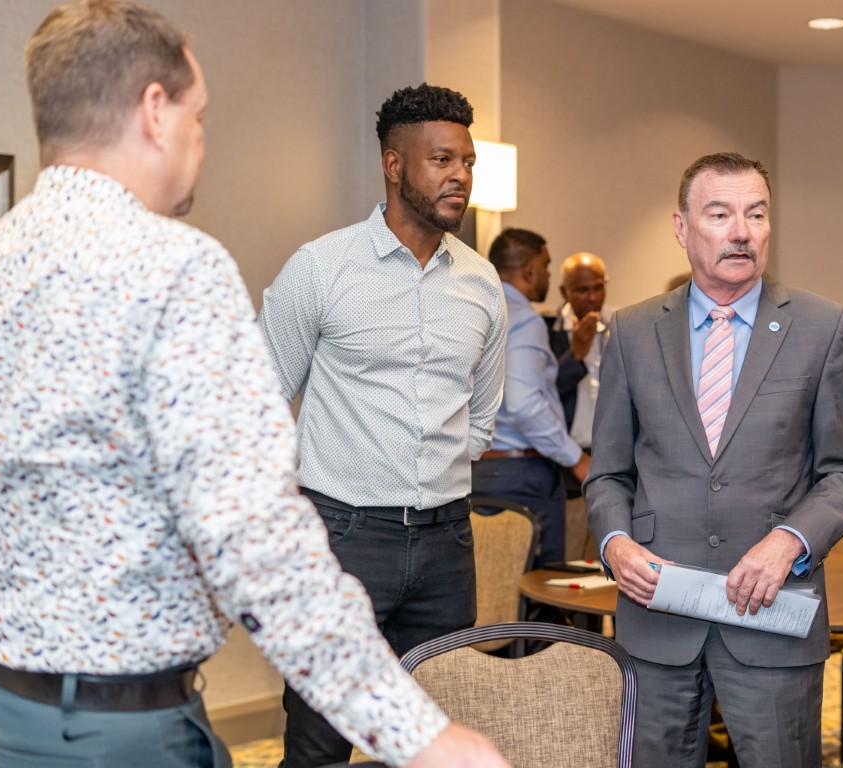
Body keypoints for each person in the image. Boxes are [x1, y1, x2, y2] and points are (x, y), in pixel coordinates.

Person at [0, 4, 509, 768]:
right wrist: (418, 733)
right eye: (199, 117)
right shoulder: (176, 272)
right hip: (106, 737)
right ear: (154, 112)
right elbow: (255, 537)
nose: (201, 139)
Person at [585, 151, 843, 767]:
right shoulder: (632, 331)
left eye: (756, 214)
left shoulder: (822, 327)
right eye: (720, 214)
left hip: (773, 619)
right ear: (682, 228)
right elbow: (608, 472)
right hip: (657, 621)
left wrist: (791, 541)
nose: (741, 231)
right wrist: (614, 542)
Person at [257, 83, 508, 767]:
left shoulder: (482, 283)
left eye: (467, 161)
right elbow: (257, 405)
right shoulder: (321, 268)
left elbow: (482, 415)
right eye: (441, 159)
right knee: (319, 741)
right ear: (394, 166)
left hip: (447, 544)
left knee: (434, 738)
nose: (459, 176)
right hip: (343, 539)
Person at [473, 228, 589, 568]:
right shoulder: (524, 319)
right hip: (524, 475)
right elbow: (524, 404)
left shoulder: (478, 310)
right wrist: (575, 458)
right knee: (537, 588)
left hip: (479, 470)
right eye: (546, 266)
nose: (549, 276)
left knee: (490, 584)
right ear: (529, 270)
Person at [544, 251, 612, 560]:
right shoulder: (548, 331)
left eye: (598, 287)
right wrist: (575, 355)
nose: (592, 297)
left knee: (608, 561)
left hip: (611, 458)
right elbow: (542, 394)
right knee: (570, 559)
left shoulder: (621, 325)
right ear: (564, 292)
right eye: (582, 290)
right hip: (568, 463)